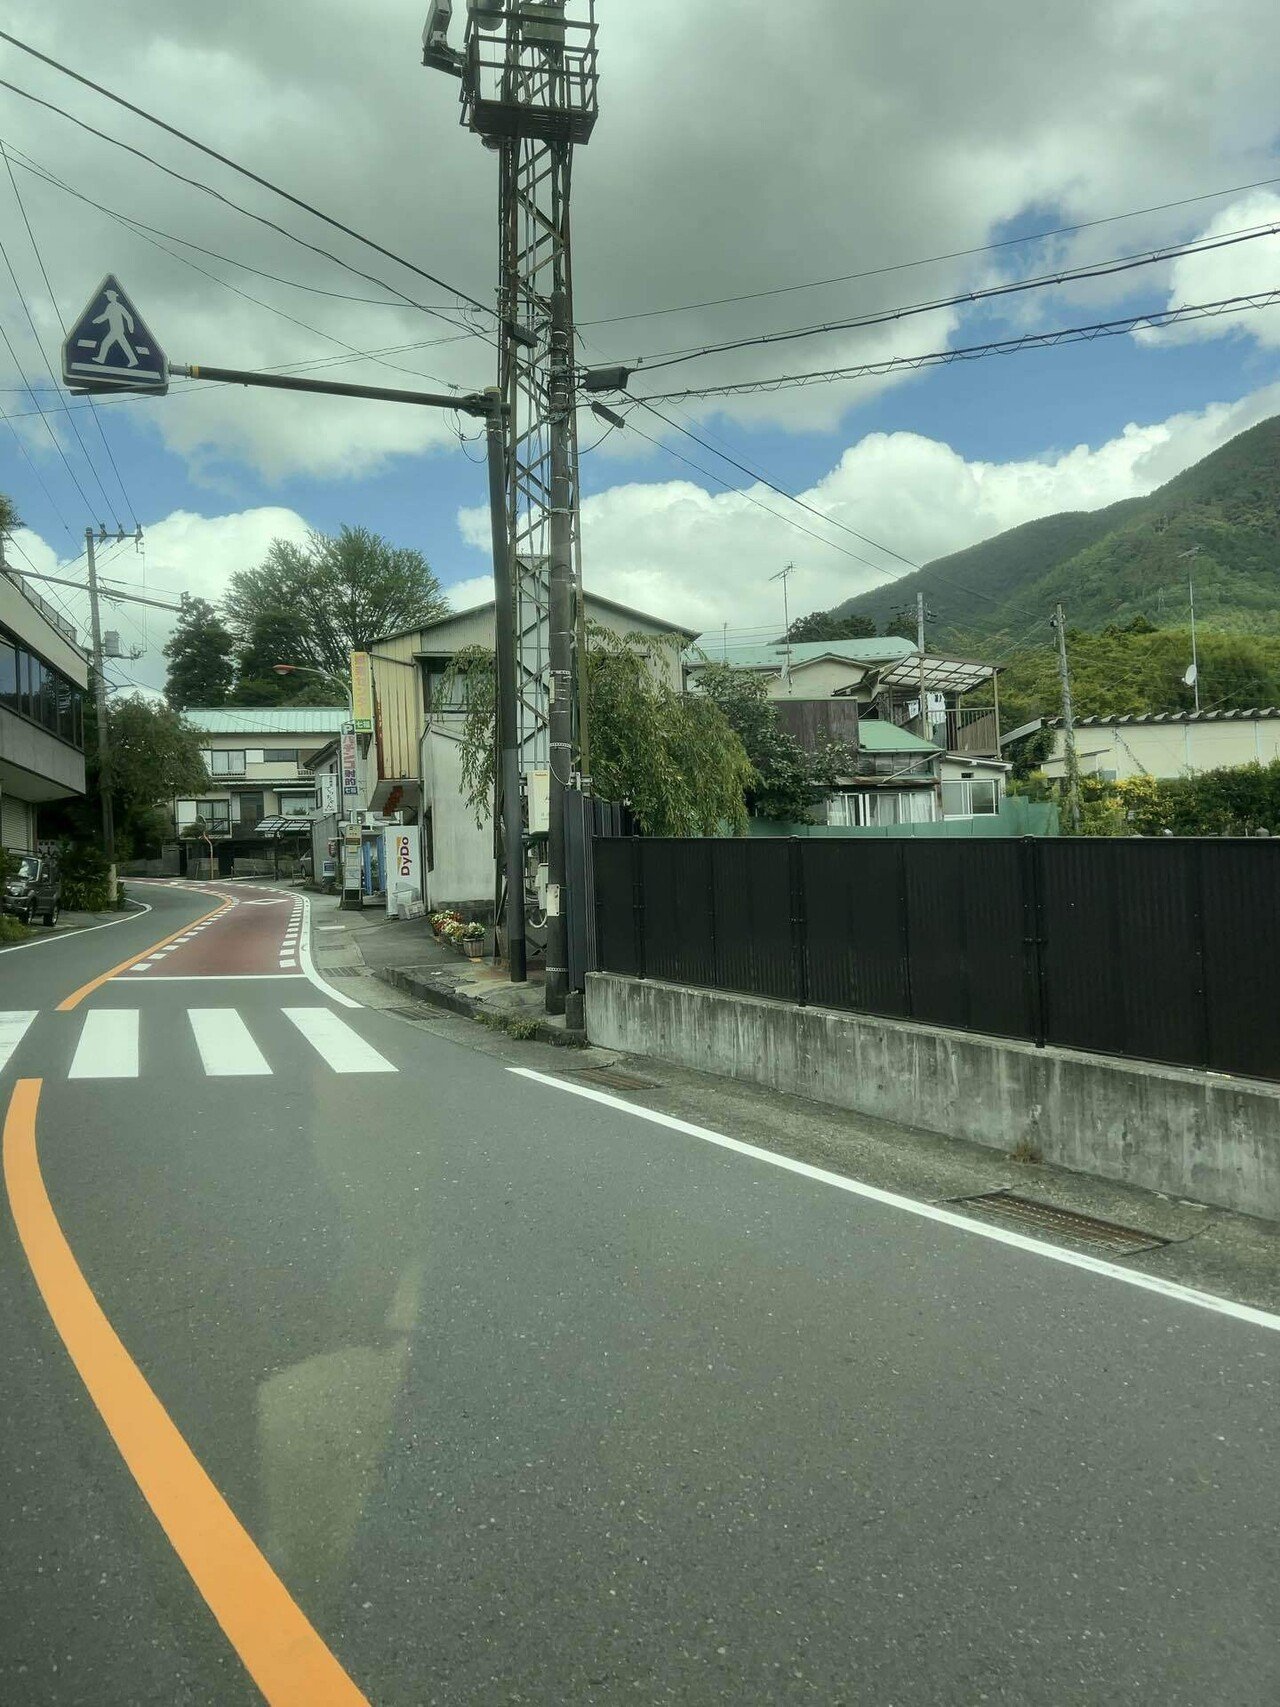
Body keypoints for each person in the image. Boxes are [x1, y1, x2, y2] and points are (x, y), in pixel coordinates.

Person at [91, 290, 139, 369]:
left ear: (113, 296)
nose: (108, 297)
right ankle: (133, 360)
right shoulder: (110, 306)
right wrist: (97, 320)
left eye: (109, 295)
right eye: (107, 296)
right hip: (115, 330)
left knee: (105, 343)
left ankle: (101, 359)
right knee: (123, 345)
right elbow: (106, 315)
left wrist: (131, 329)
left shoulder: (118, 306)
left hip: (117, 330)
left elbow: (129, 317)